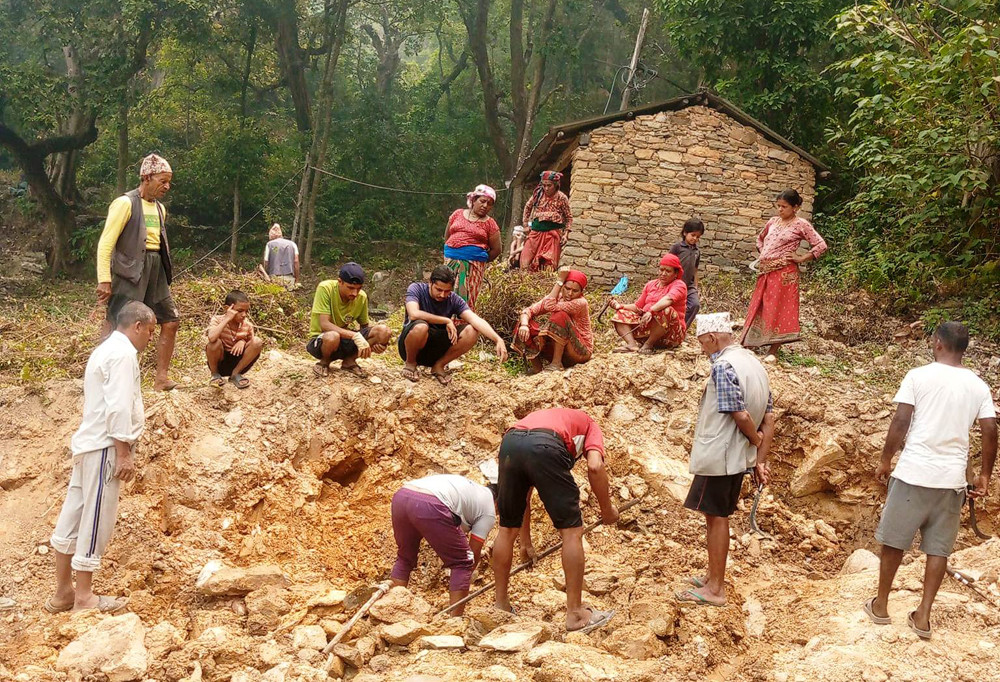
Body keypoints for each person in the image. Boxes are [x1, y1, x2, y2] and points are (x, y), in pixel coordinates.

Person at [865, 322, 996, 640]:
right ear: (963, 348)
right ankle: (923, 616)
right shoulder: (977, 385)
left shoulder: (918, 376)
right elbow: (991, 429)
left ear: (938, 343)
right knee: (938, 550)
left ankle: (881, 605)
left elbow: (901, 420)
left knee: (894, 541)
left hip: (913, 473)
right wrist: (985, 475)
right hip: (951, 481)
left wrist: (886, 459)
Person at [47, 301, 156, 614]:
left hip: (88, 446)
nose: (150, 338)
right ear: (137, 326)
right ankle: (84, 597)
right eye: (149, 332)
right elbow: (119, 407)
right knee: (96, 520)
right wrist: (124, 453)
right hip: (104, 448)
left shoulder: (104, 350)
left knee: (73, 515)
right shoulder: (123, 355)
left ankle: (63, 592)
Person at [676, 312, 774, 607]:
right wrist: (759, 457)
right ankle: (712, 576)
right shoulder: (754, 363)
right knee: (716, 515)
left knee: (716, 517)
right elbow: (768, 417)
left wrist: (755, 443)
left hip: (720, 454)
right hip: (737, 456)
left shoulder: (723, 366)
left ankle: (716, 589)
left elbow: (740, 415)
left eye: (702, 342)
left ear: (713, 337)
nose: (701, 348)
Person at [492, 408, 619, 632]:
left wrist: (525, 542)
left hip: (510, 442)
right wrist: (607, 510)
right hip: (546, 446)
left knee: (505, 529)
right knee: (571, 532)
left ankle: (500, 606)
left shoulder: (545, 418)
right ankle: (576, 615)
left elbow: (526, 495)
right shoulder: (590, 425)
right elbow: (595, 466)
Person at [95, 153, 178, 391]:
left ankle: (161, 378)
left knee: (170, 320)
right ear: (147, 177)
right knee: (117, 321)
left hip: (155, 269)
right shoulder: (125, 203)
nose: (167, 186)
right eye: (162, 181)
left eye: (168, 181)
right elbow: (106, 243)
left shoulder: (161, 209)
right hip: (130, 271)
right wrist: (104, 279)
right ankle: (103, 375)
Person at [390, 473, 497, 615]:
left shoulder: (474, 490)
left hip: (402, 496)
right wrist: (464, 578)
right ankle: (455, 621)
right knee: (463, 562)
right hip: (430, 503)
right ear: (498, 502)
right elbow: (473, 553)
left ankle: (390, 610)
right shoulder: (489, 510)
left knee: (405, 557)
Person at [740, 189, 827, 357]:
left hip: (784, 273)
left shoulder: (801, 224)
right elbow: (760, 239)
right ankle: (750, 344)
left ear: (795, 207)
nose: (780, 210)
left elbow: (820, 245)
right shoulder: (773, 222)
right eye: (778, 206)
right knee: (759, 305)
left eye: (784, 207)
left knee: (779, 308)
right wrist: (764, 255)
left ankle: (773, 350)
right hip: (766, 271)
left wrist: (801, 258)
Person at [398, 265, 508, 385]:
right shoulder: (416, 289)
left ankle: (439, 366)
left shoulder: (454, 299)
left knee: (472, 331)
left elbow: (475, 319)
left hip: (436, 349)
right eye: (439, 290)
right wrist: (446, 321)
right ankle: (410, 363)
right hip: (411, 345)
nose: (443, 295)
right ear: (430, 283)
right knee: (421, 327)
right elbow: (413, 314)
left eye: (447, 291)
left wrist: (497, 339)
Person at [307, 263, 391, 379]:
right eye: (350, 288)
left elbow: (365, 328)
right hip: (322, 340)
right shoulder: (325, 288)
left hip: (345, 341)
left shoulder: (362, 297)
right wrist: (355, 336)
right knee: (332, 336)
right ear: (339, 282)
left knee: (383, 332)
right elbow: (324, 324)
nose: (354, 293)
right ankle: (324, 362)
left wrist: (376, 344)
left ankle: (349, 361)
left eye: (358, 288)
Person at [514, 267, 593, 373]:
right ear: (563, 287)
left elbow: (549, 306)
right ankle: (537, 368)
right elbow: (528, 311)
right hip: (565, 349)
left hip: (580, 351)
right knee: (525, 324)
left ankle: (556, 364)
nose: (569, 293)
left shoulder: (581, 303)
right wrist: (524, 325)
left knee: (560, 316)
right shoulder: (557, 297)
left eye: (575, 291)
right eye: (567, 288)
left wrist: (560, 280)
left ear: (581, 292)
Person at [610, 253, 688, 353]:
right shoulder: (650, 284)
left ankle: (648, 344)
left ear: (676, 273)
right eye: (661, 270)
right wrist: (620, 306)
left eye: (668, 271)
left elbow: (668, 299)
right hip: (649, 331)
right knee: (621, 313)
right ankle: (632, 345)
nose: (663, 273)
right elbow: (638, 307)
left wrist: (651, 311)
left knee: (665, 310)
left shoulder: (679, 285)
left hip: (671, 335)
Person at [443, 184, 502, 310]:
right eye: (482, 201)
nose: (485, 206)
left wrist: (477, 259)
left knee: (466, 301)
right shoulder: (457, 214)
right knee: (443, 294)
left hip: (473, 268)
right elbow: (447, 237)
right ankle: (442, 324)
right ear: (474, 200)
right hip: (450, 262)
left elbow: (497, 250)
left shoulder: (490, 224)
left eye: (490, 203)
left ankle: (462, 326)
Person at [205, 290, 264, 389]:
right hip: (220, 361)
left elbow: (253, 345)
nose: (244, 315)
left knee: (257, 341)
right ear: (228, 309)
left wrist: (242, 341)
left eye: (246, 311)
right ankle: (215, 375)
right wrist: (227, 319)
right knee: (214, 343)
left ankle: (235, 375)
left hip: (238, 363)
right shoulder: (217, 320)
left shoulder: (247, 325)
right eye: (240, 311)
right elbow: (211, 338)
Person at [520, 170, 573, 271]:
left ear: (555, 185)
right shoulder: (538, 195)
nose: (546, 188)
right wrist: (526, 225)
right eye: (544, 185)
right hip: (535, 233)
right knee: (525, 261)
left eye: (549, 185)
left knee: (548, 265)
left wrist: (566, 234)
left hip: (552, 235)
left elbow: (569, 218)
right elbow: (528, 207)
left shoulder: (562, 198)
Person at [669, 218, 705, 328]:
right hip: (674, 284)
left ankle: (682, 329)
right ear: (685, 233)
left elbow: (695, 270)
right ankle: (669, 330)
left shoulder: (697, 252)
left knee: (695, 305)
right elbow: (668, 264)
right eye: (693, 235)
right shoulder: (677, 248)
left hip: (688, 286)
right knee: (671, 308)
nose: (695, 238)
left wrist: (695, 286)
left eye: (698, 237)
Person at [259, 223, 300, 290]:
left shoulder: (269, 244)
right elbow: (296, 262)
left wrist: (266, 275)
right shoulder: (292, 244)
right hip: (289, 278)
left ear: (271, 236)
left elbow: (266, 262)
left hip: (274, 278)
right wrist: (297, 280)